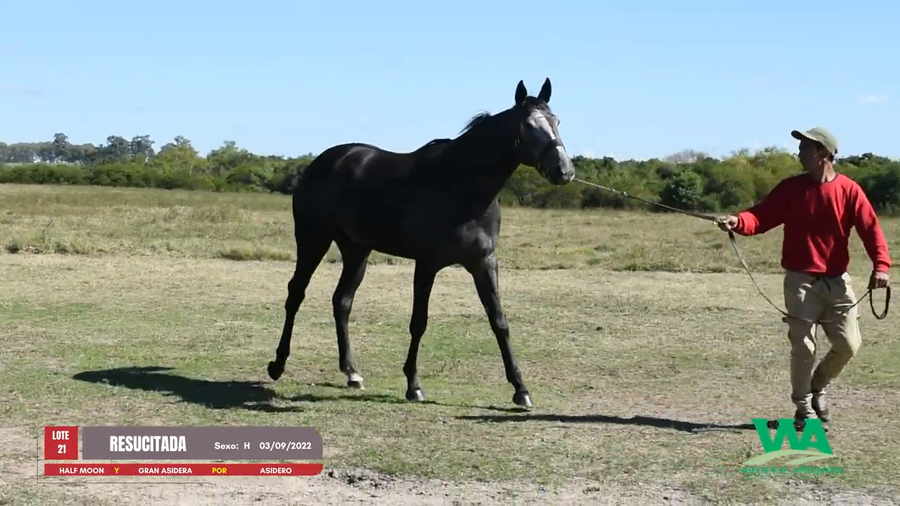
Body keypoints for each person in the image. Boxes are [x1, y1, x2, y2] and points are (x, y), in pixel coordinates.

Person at [716, 126, 892, 431]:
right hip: (800, 281)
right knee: (804, 347)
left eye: (805, 148)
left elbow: (871, 229)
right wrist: (737, 221)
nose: (798, 153)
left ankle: (817, 387)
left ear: (823, 153)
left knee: (849, 344)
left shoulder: (849, 190)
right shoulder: (790, 188)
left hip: (837, 282)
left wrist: (882, 266)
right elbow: (761, 216)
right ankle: (803, 410)